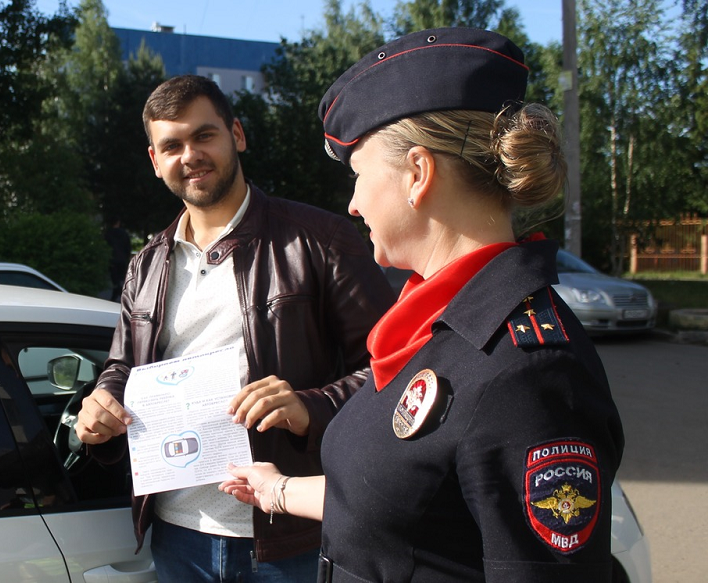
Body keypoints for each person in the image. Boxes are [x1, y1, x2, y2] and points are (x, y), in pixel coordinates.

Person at [220, 28, 625, 582]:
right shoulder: (438, 328)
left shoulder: (528, 373)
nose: (353, 204)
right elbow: (403, 502)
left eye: (359, 176)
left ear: (417, 173)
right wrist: (277, 490)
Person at [75, 74, 395, 582]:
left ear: (237, 135)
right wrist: (102, 404)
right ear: (155, 160)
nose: (190, 155)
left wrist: (309, 408)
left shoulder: (320, 239)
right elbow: (123, 367)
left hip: (291, 533)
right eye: (172, 145)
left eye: (204, 135)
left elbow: (396, 368)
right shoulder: (145, 265)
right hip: (177, 535)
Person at [104, 217, 131, 302]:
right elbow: (128, 247)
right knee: (121, 278)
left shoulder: (108, 234)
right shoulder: (124, 234)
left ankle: (117, 293)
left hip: (112, 259)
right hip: (122, 259)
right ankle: (120, 293)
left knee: (115, 279)